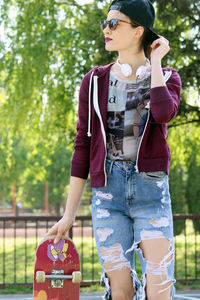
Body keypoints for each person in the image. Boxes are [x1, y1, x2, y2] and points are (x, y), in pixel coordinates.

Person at [47, 0, 182, 299]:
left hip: (152, 193)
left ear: (138, 31)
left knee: (158, 289)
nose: (105, 30)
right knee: (120, 293)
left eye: (114, 23)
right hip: (108, 195)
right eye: (104, 23)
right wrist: (68, 215)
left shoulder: (168, 77)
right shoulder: (94, 82)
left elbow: (162, 113)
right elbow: (82, 145)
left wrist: (156, 61)